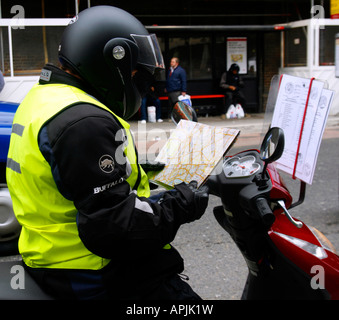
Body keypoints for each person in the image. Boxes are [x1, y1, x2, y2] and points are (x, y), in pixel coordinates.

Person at [6, 6, 209, 300]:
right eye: (136, 74)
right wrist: (181, 205)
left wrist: (144, 170)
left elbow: (72, 177)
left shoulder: (44, 98)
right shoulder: (84, 121)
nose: (140, 84)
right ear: (111, 62)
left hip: (53, 255)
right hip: (93, 270)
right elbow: (116, 229)